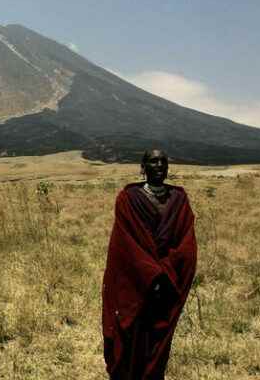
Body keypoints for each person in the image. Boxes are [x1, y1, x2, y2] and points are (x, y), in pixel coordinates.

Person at [101, 149, 198, 379]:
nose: (159, 166)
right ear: (143, 167)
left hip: (168, 281)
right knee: (132, 334)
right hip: (137, 281)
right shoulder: (128, 199)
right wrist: (152, 274)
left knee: (158, 337)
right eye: (153, 161)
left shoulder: (179, 199)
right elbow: (127, 243)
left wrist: (166, 273)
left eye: (163, 162)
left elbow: (185, 242)